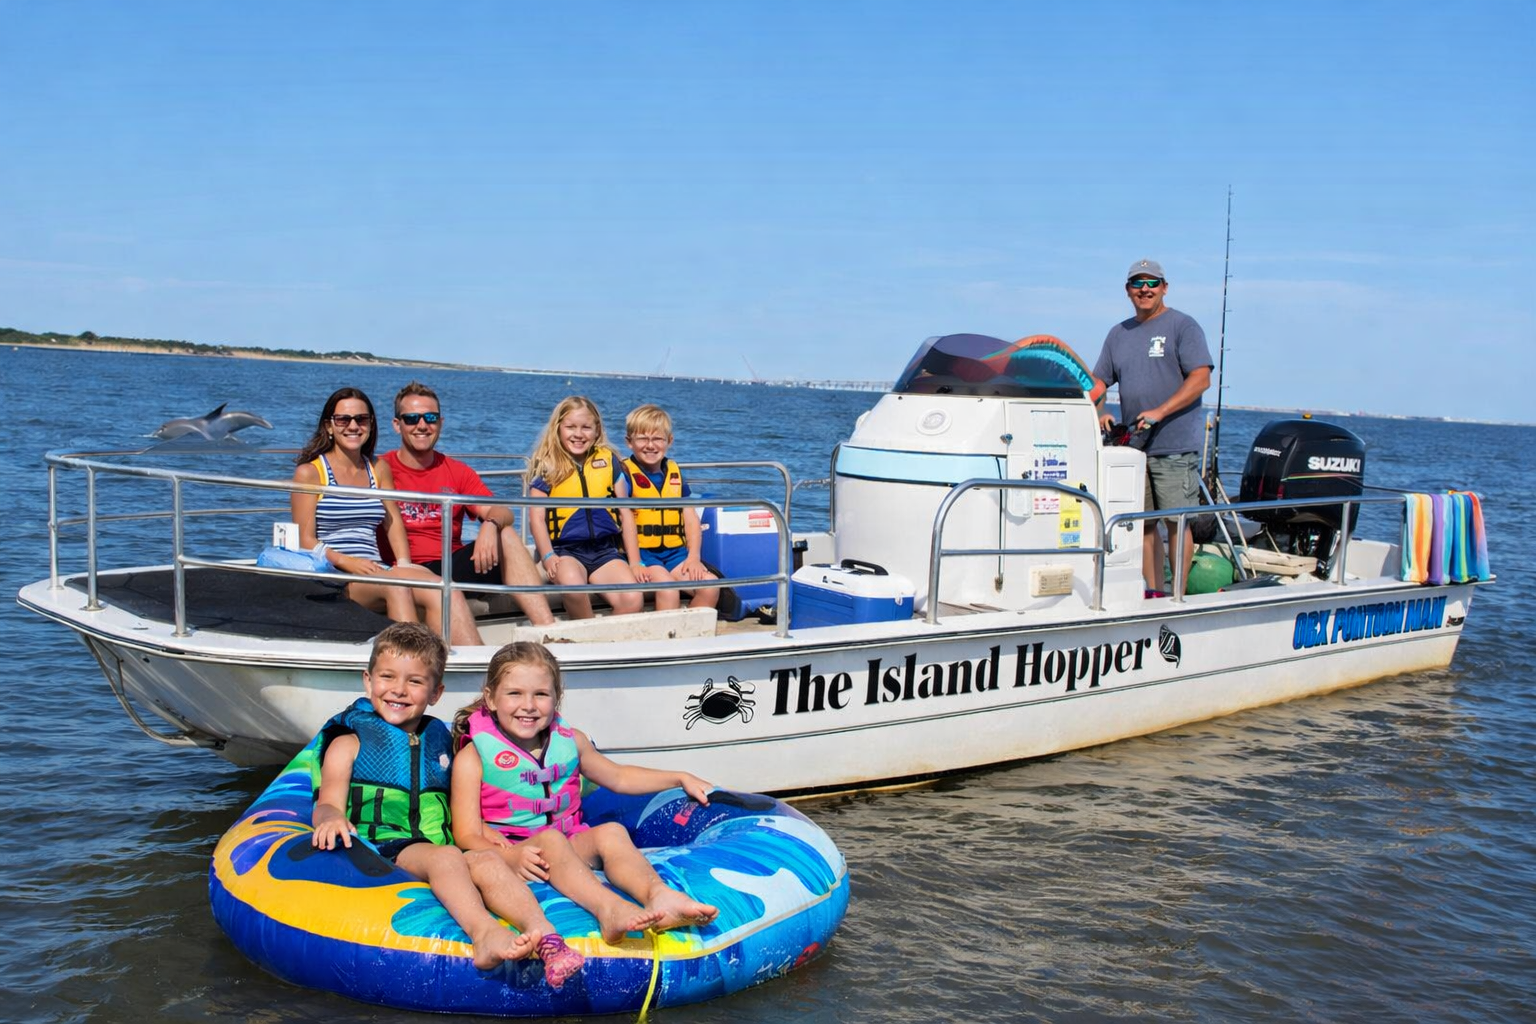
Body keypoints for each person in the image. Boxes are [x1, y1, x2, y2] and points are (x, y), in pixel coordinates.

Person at [311, 623, 585, 986]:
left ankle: (546, 936)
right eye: (388, 677)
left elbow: (458, 805)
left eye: (415, 681)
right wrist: (330, 818)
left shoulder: (439, 741)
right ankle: (484, 934)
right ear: (368, 680)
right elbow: (327, 803)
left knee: (486, 861)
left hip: (442, 847)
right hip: (383, 849)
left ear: (436, 692)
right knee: (446, 857)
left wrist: (486, 833)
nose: (398, 689)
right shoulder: (349, 743)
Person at [449, 642, 720, 944]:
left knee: (611, 832)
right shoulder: (473, 757)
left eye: (541, 694)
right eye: (515, 693)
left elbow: (618, 777)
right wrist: (510, 856)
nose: (528, 705)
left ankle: (659, 896)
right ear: (491, 698)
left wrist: (678, 778)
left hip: (568, 844)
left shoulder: (571, 741)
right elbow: (466, 834)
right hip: (517, 855)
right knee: (551, 840)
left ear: (557, 697)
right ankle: (609, 908)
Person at [290, 387, 483, 645]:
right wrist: (348, 562)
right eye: (343, 419)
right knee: (396, 586)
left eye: (361, 419)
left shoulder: (377, 468)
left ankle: (475, 663)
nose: (353, 426)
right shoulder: (310, 473)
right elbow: (305, 540)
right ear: (329, 426)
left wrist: (403, 563)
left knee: (443, 587)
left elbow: (393, 523)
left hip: (376, 569)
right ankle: (412, 659)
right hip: (335, 575)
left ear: (371, 424)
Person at [382, 382, 556, 627]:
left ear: (440, 423)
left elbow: (501, 511)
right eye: (411, 418)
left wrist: (490, 524)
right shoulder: (381, 469)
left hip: (451, 565)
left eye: (430, 418)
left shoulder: (458, 472)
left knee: (505, 534)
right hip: (404, 568)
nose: (422, 425)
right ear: (397, 424)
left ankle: (547, 630)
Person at [1092, 259, 1214, 595]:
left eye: (1152, 283)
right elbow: (1097, 382)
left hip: (1174, 446)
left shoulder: (1183, 326)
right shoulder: (1118, 334)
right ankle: (1154, 593)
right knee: (1143, 527)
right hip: (1134, 449)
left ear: (1164, 288)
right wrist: (1099, 411)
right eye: (1137, 283)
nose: (1145, 289)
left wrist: (1161, 411)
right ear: (1127, 290)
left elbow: (1201, 378)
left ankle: (1177, 595)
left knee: (1177, 522)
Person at [525, 397, 642, 618]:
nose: (578, 434)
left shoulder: (609, 461)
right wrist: (548, 555)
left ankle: (602, 635)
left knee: (633, 598)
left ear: (597, 430)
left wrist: (635, 562)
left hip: (604, 551)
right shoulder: (548, 465)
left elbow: (625, 513)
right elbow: (536, 518)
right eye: (571, 427)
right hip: (565, 551)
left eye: (586, 427)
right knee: (573, 586)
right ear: (558, 428)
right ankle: (584, 630)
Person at [619, 404, 719, 612]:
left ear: (669, 441)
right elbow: (624, 518)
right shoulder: (625, 474)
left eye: (657, 439)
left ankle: (689, 629)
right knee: (669, 590)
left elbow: (690, 518)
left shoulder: (674, 472)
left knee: (710, 586)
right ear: (629, 442)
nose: (650, 445)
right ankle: (664, 632)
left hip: (676, 554)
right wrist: (635, 563)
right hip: (644, 555)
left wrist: (693, 557)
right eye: (642, 439)